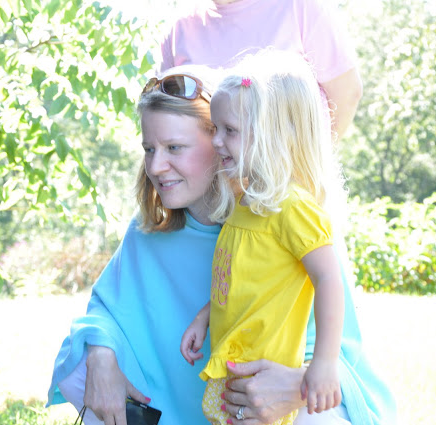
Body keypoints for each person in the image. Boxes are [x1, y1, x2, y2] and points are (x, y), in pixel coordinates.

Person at [47, 67, 312, 425]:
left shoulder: (282, 222)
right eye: (149, 149)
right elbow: (104, 311)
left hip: (259, 410)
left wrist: (293, 387)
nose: (156, 166)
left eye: (174, 147)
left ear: (221, 141)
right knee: (92, 368)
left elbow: (338, 357)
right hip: (167, 409)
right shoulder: (148, 231)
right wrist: (101, 354)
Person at [180, 53, 346, 425]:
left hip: (266, 376)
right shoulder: (246, 202)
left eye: (230, 130)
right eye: (215, 128)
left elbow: (329, 279)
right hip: (237, 370)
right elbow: (242, 282)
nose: (216, 141)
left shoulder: (292, 207)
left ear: (273, 134)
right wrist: (204, 318)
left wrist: (324, 363)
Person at [160, 0, 363, 142]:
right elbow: (161, 112)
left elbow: (346, 94)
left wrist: (307, 168)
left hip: (286, 184)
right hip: (207, 189)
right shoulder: (179, 26)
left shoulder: (300, 6)